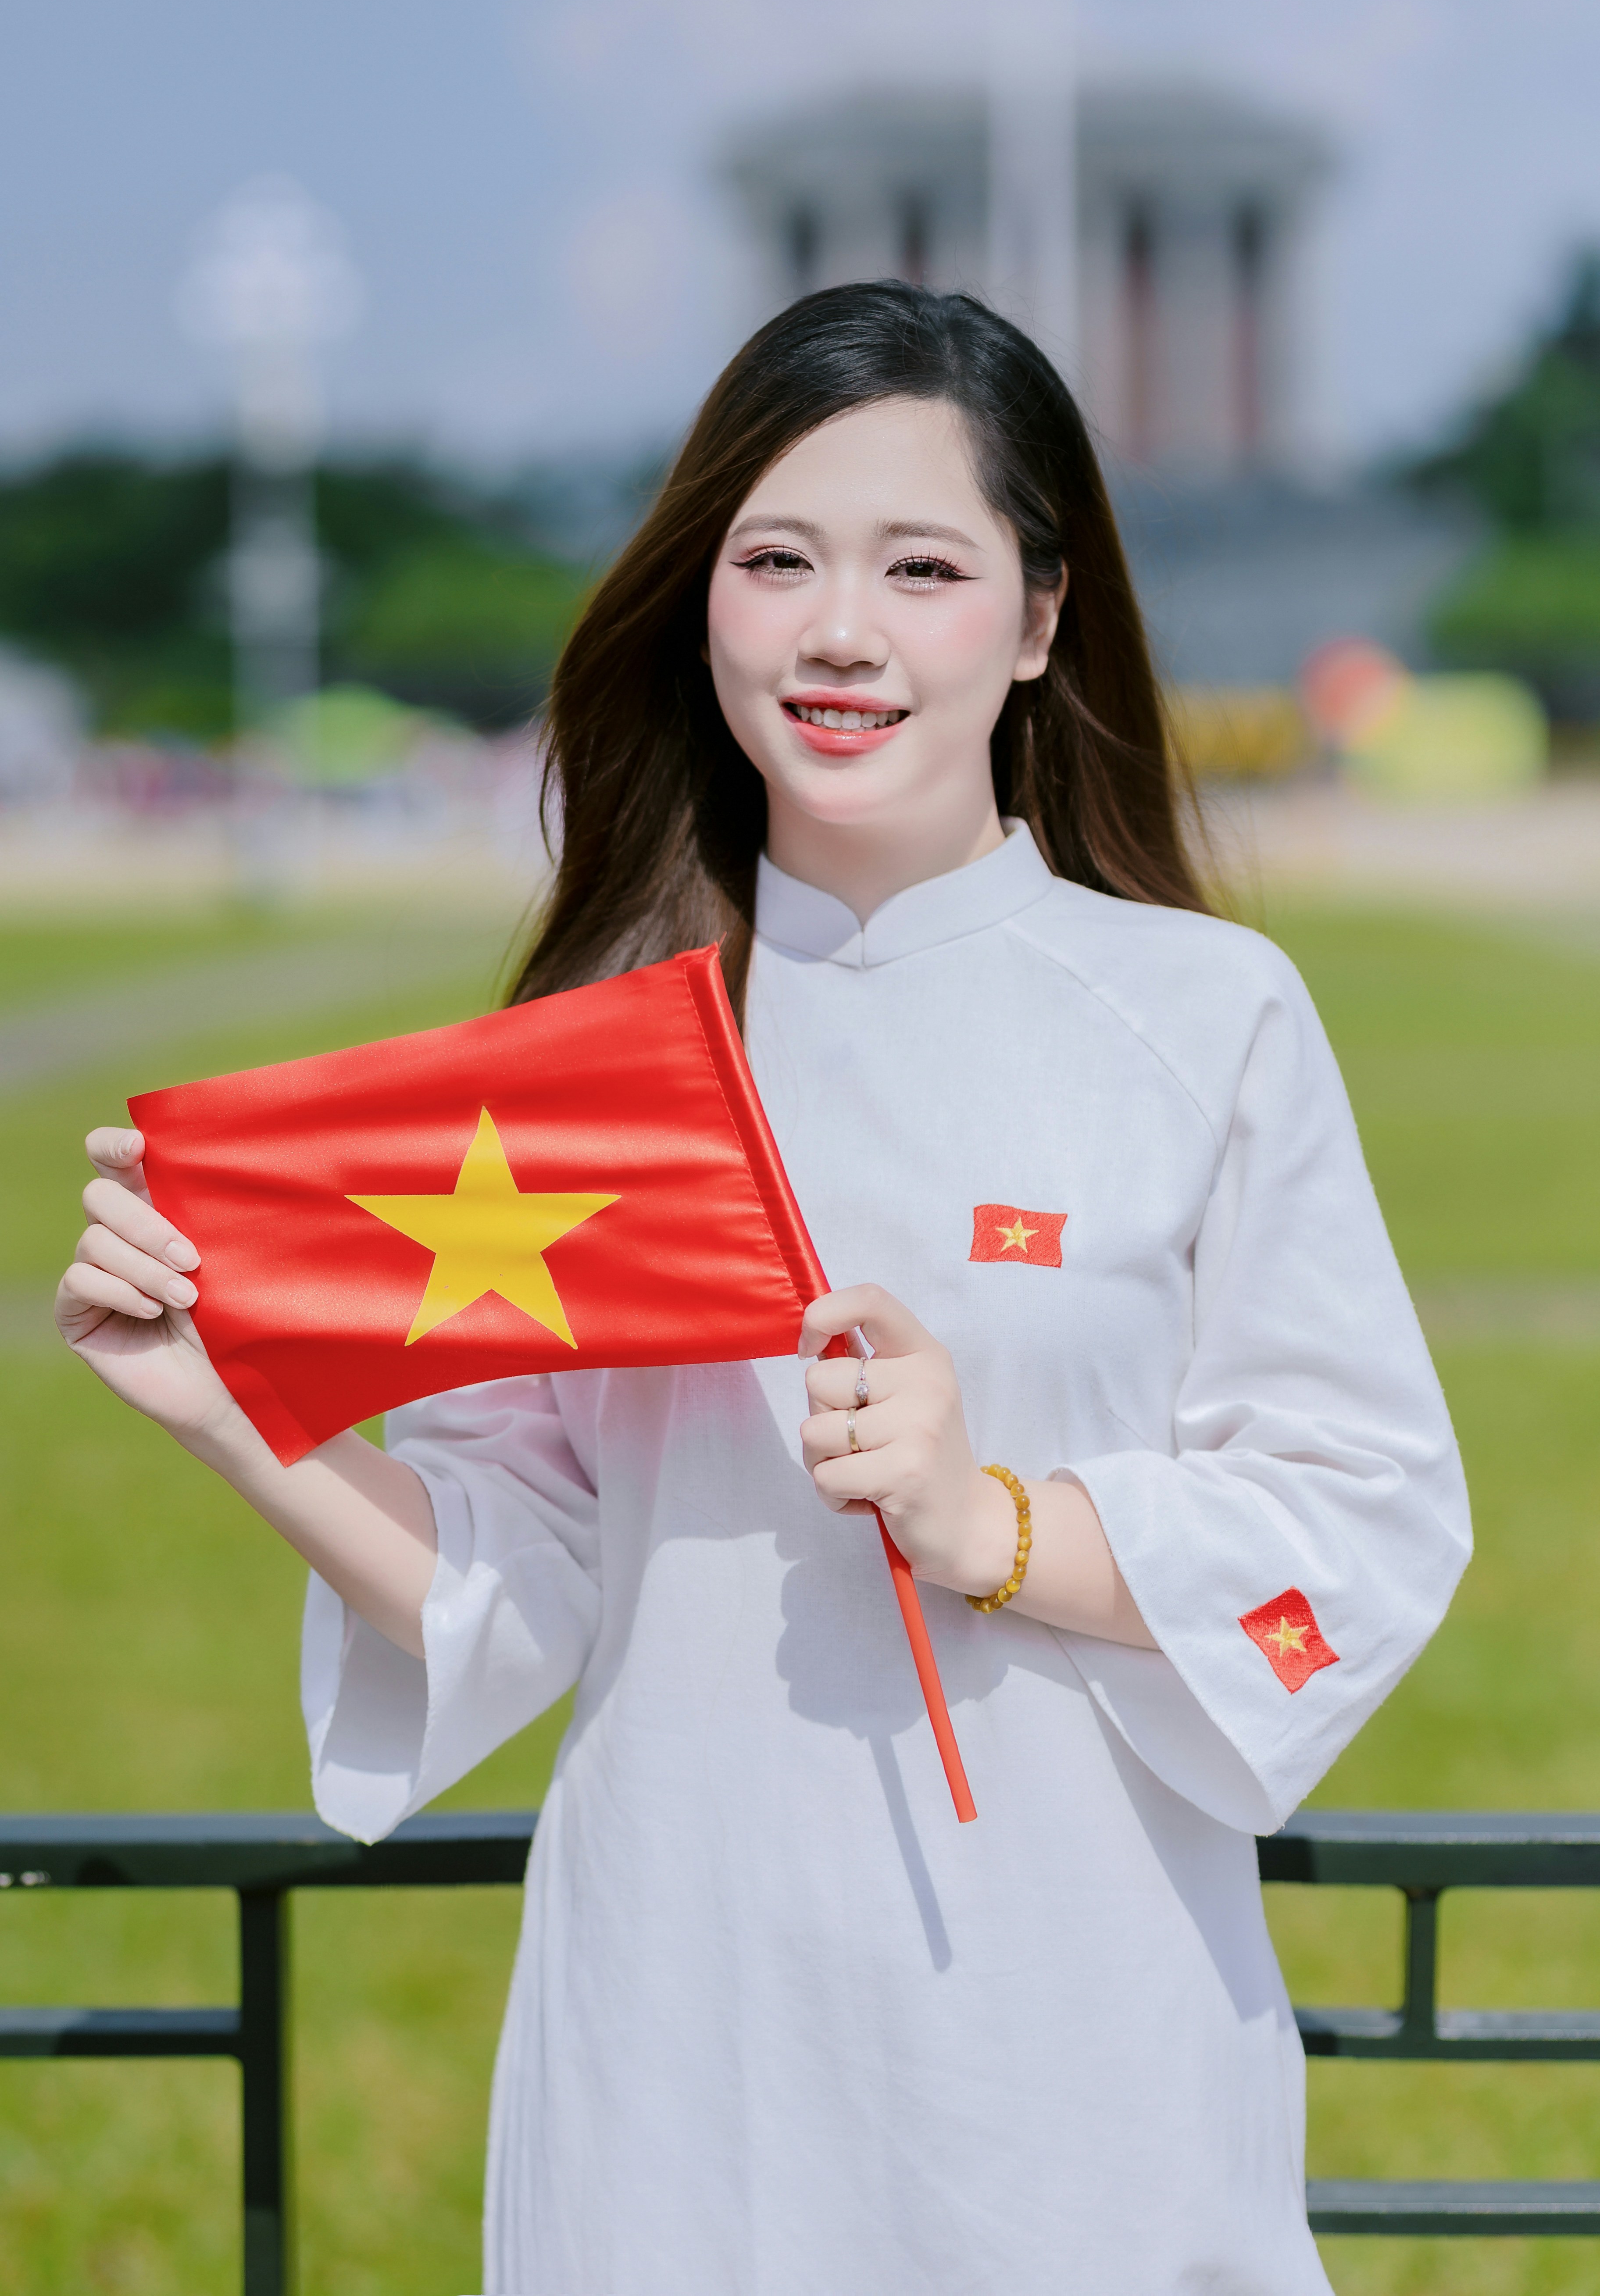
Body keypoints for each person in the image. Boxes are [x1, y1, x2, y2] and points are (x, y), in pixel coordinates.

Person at [56, 283, 1471, 2295]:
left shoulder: (1204, 1012)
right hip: (679, 2042)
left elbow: (1370, 1511)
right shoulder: (596, 1066)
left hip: (1075, 2038)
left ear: (1042, 617)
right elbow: (514, 1576)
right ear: (699, 595)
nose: (838, 632)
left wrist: (994, 1522)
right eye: (776, 559)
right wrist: (232, 1401)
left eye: (921, 567)